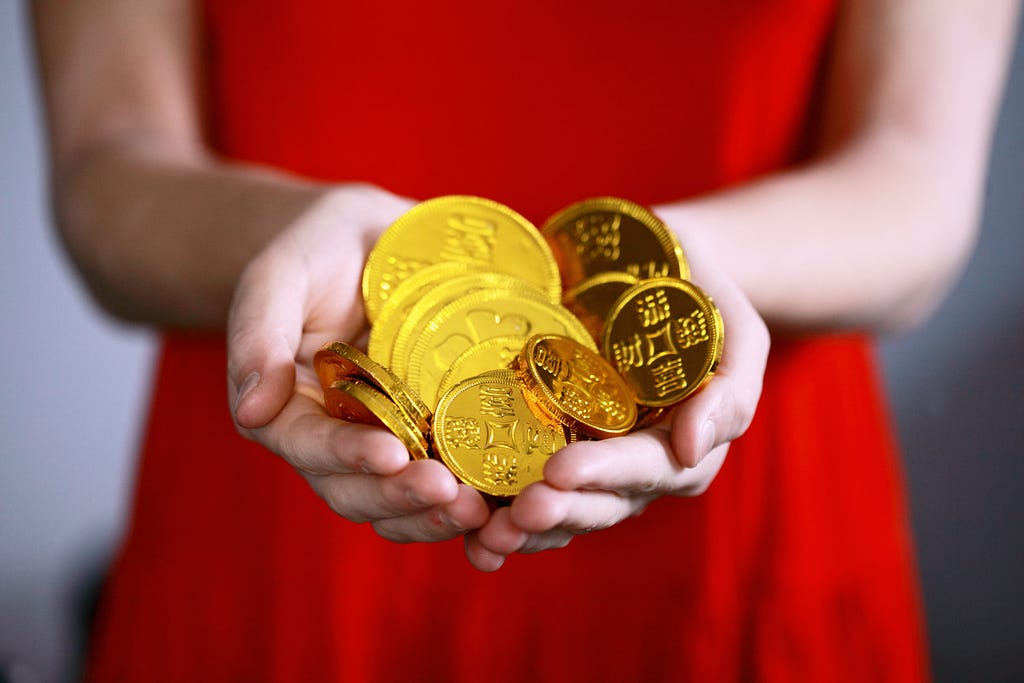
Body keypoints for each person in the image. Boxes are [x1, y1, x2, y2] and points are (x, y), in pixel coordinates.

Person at [32, 0, 1019, 680]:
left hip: (739, 544)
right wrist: (291, 239)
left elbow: (918, 184)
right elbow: (106, 168)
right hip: (285, 504)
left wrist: (675, 269)